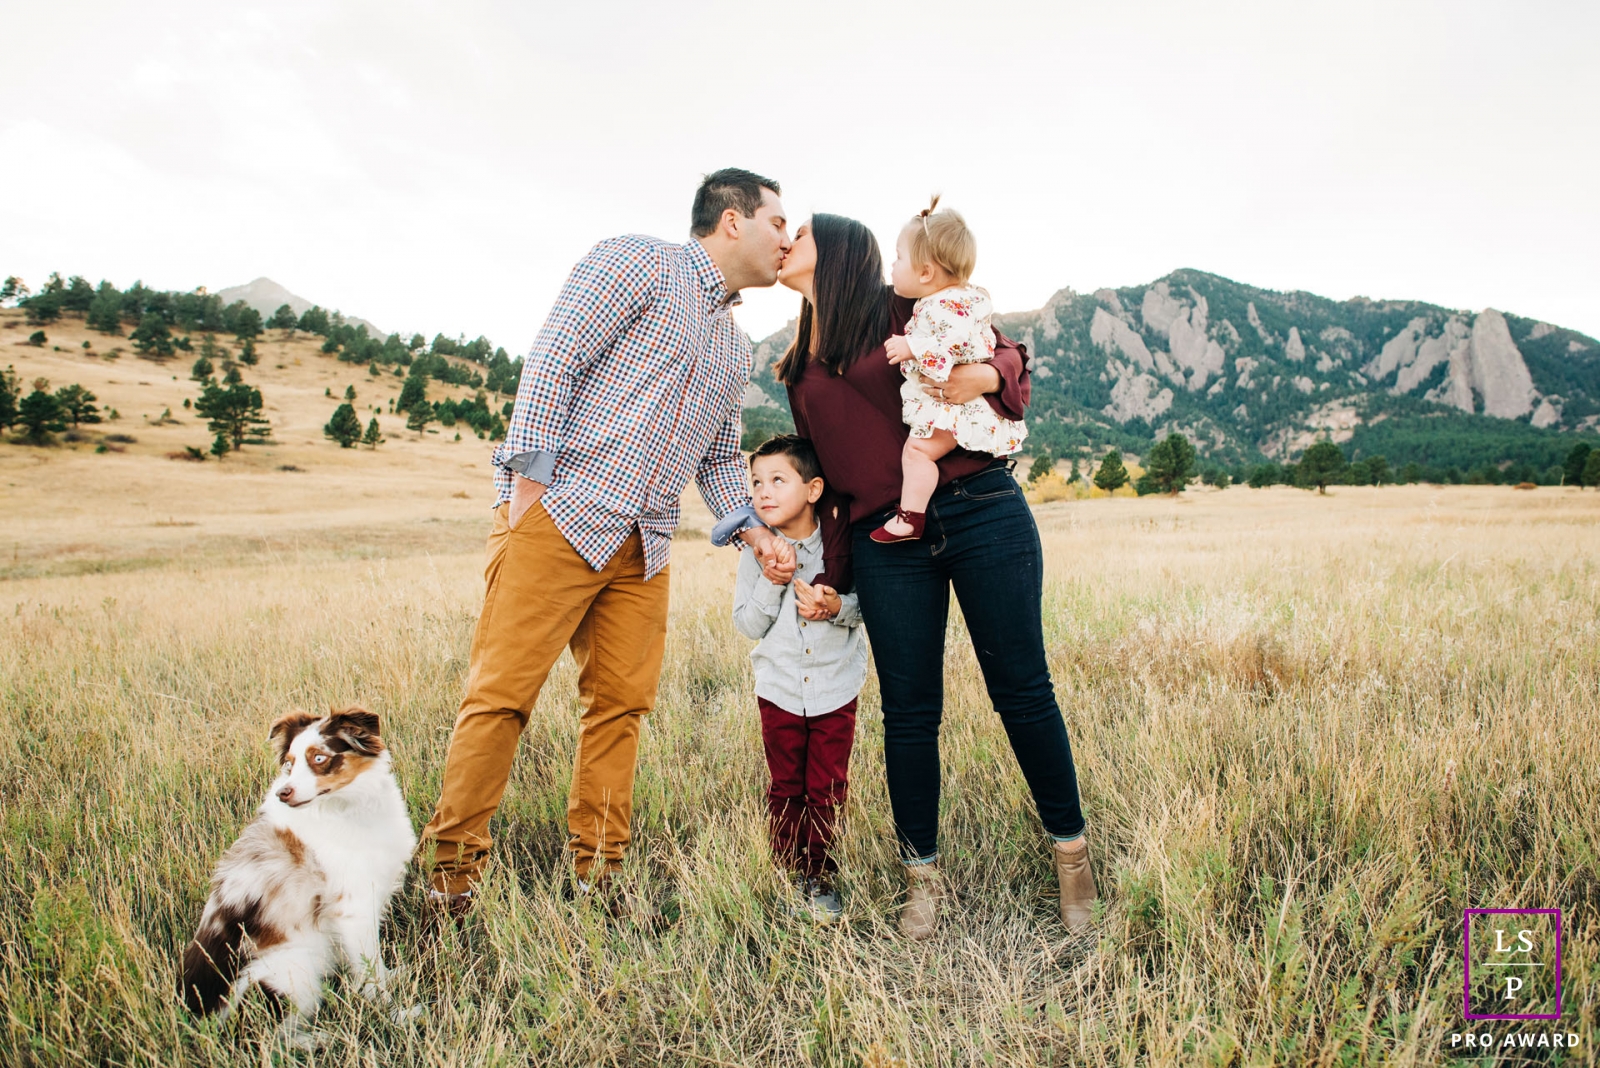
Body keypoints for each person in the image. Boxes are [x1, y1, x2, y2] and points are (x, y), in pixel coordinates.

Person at [418, 168, 797, 918]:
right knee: (500, 699)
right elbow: (555, 355)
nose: (787, 237)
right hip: (561, 517)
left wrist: (753, 530)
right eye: (778, 221)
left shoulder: (733, 344)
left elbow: (719, 457)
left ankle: (599, 877)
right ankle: (450, 884)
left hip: (645, 544)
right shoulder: (637, 261)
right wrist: (527, 486)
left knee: (621, 706)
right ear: (731, 220)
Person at [762, 212, 1097, 940]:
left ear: (843, 251)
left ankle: (1073, 862)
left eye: (804, 235)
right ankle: (923, 880)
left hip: (981, 507)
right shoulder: (798, 371)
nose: (787, 245)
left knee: (1023, 691)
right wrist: (838, 578)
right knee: (910, 714)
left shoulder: (905, 310)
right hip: (889, 538)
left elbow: (1010, 356)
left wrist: (988, 371)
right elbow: (839, 495)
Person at [730, 435, 868, 922]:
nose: (763, 492)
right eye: (756, 483)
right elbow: (746, 624)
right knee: (786, 783)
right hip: (780, 691)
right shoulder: (756, 551)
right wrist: (771, 584)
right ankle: (786, 866)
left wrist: (833, 607)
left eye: (777, 480)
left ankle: (820, 872)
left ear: (813, 489)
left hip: (834, 688)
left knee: (827, 785)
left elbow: (867, 607)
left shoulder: (841, 546)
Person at [872, 198, 1026, 543]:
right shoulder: (959, 300)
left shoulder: (944, 306)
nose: (892, 266)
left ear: (925, 272)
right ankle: (911, 516)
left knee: (917, 452)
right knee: (918, 452)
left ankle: (910, 517)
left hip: (954, 411)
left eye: (899, 258)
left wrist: (912, 346)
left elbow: (955, 343)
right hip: (956, 409)